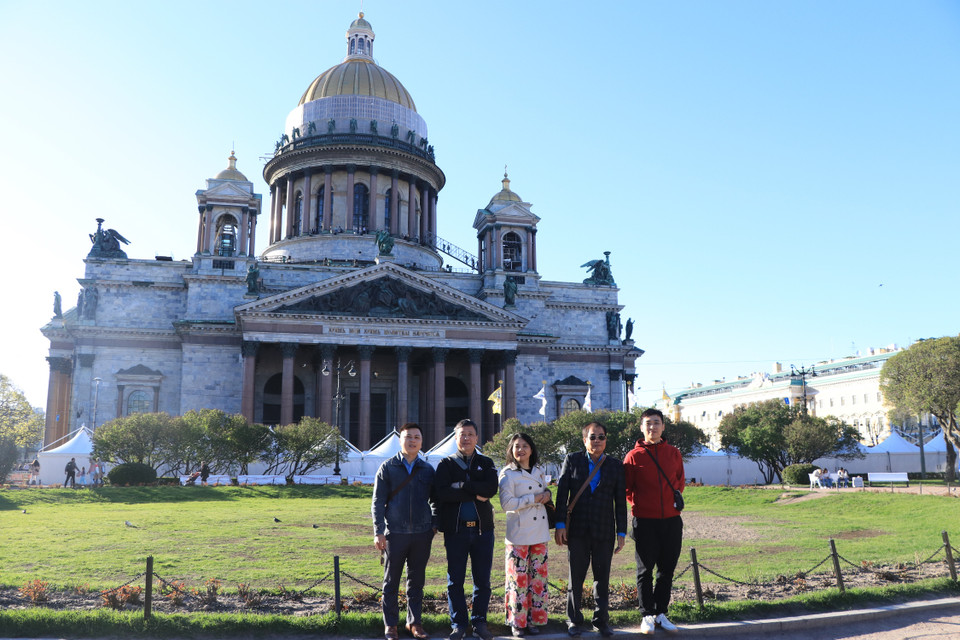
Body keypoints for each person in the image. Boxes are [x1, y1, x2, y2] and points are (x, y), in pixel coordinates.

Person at [554, 422, 627, 637]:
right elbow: (561, 495)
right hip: (577, 529)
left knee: (602, 577)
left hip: (604, 529)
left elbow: (620, 502)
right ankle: (574, 620)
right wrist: (559, 524)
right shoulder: (572, 460)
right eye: (592, 437)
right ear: (584, 440)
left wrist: (621, 532)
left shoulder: (615, 465)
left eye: (601, 437)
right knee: (575, 576)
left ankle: (601, 620)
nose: (597, 441)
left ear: (606, 440)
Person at [434, 419, 499, 640]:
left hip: (483, 531)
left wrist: (460, 485)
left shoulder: (487, 462)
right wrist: (474, 491)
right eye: (462, 434)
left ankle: (479, 622)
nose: (467, 438)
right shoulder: (446, 464)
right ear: (456, 437)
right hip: (456, 531)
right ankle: (459, 624)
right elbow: (442, 494)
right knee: (455, 581)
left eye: (470, 434)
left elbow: (491, 489)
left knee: (482, 580)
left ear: (477, 438)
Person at [372, 423, 436, 640]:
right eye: (408, 437)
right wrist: (378, 531)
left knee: (416, 581)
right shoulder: (388, 467)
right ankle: (390, 625)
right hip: (395, 533)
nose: (413, 441)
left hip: (421, 533)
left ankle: (414, 623)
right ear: (400, 440)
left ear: (421, 441)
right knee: (391, 581)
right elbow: (378, 502)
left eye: (417, 437)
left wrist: (433, 526)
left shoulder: (427, 469)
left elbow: (436, 500)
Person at [623, 409, 684, 636]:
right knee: (645, 570)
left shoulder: (673, 453)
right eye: (648, 424)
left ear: (663, 427)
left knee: (666, 569)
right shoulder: (633, 456)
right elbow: (628, 489)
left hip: (671, 520)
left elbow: (679, 482)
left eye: (656, 423)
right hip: (645, 521)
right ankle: (646, 614)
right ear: (642, 428)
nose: (652, 427)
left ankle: (661, 613)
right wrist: (643, 506)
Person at [498, 433, 551, 637]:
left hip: (539, 531)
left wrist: (546, 496)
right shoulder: (507, 474)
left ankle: (534, 619)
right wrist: (534, 498)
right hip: (518, 533)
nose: (521, 450)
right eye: (516, 446)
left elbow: (544, 493)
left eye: (525, 446)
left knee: (538, 579)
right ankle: (517, 622)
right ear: (511, 450)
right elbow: (506, 504)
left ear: (531, 449)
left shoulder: (539, 470)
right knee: (518, 580)